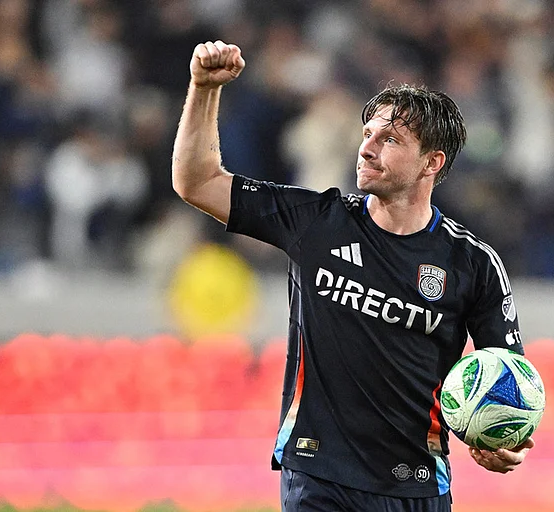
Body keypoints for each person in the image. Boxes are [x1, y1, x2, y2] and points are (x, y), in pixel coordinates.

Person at [172, 40, 534, 511]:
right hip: (318, 473)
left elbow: (508, 377)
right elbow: (196, 181)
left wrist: (499, 439)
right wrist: (204, 89)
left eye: (390, 139)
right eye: (367, 133)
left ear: (432, 162)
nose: (367, 148)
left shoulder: (474, 265)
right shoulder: (317, 222)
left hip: (416, 484)